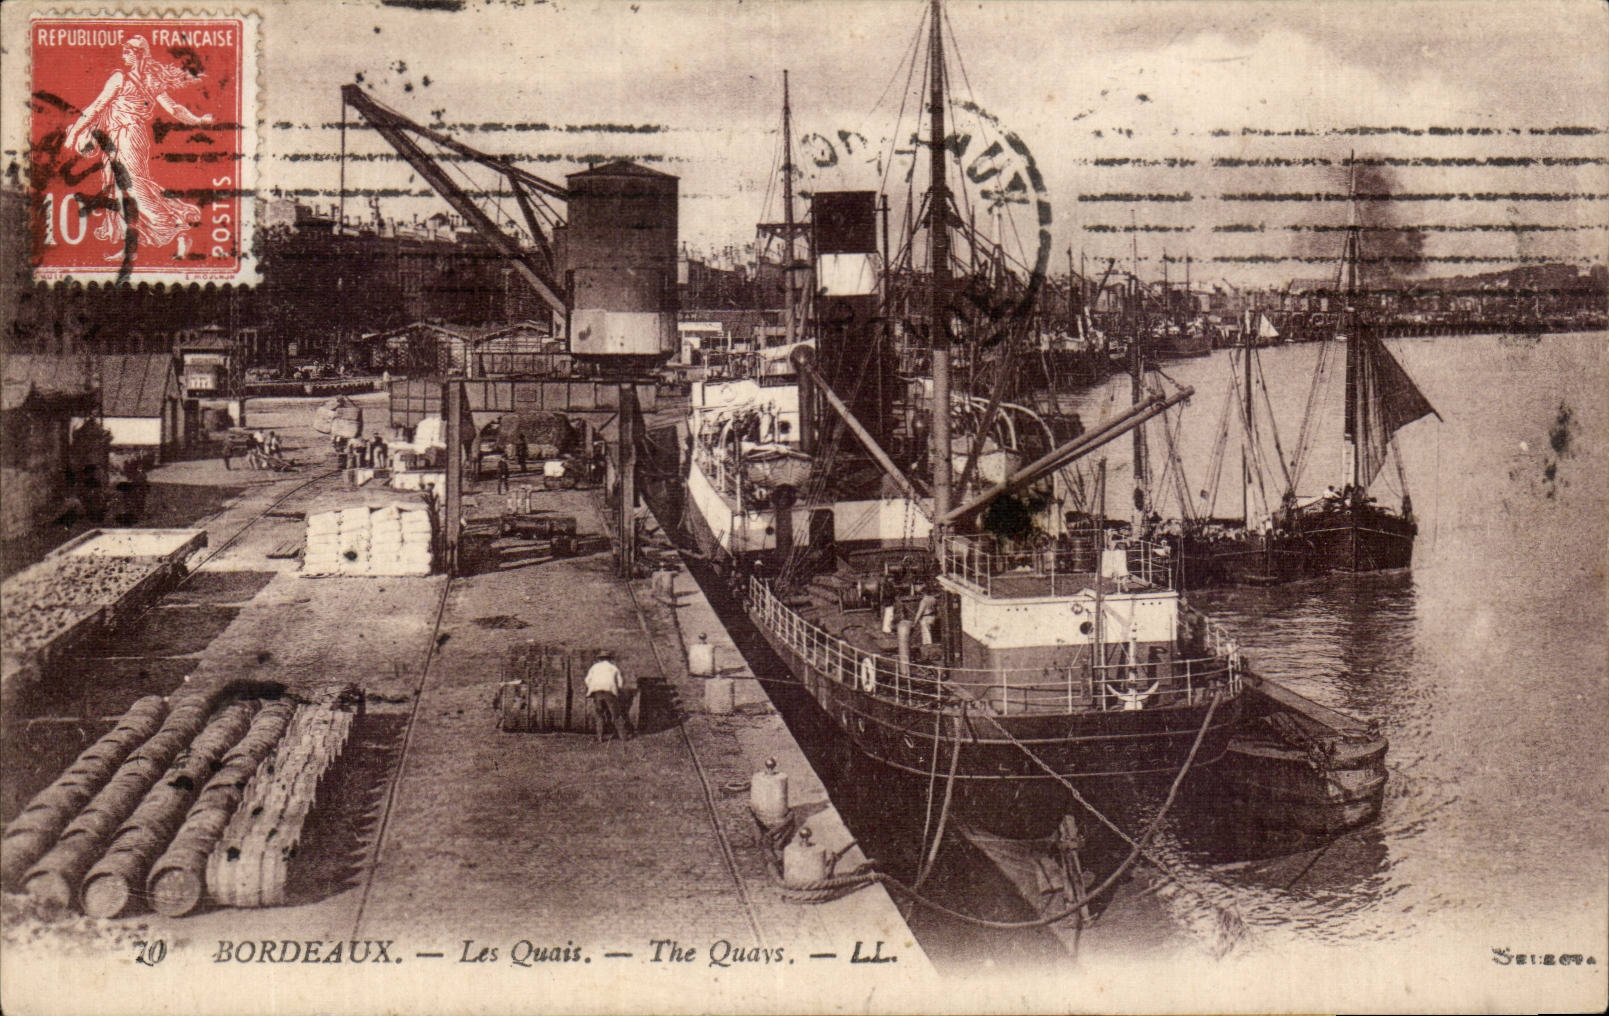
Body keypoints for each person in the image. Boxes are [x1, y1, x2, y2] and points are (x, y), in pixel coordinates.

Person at [64, 37, 213, 259]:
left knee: (132, 189)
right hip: (126, 137)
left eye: (127, 51)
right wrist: (198, 120)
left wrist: (75, 132)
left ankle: (178, 229)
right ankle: (131, 246)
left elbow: (96, 107)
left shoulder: (120, 78)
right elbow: (176, 110)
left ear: (137, 54)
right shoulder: (151, 81)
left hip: (126, 136)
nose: (123, 55)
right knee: (121, 189)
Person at [584, 650, 631, 743]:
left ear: (599, 659)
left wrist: (593, 687)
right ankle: (623, 737)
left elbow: (587, 680)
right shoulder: (613, 668)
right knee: (616, 715)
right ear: (609, 659)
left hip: (597, 692)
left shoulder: (594, 667)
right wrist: (617, 690)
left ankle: (599, 738)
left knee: (599, 715)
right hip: (609, 692)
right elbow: (620, 683)